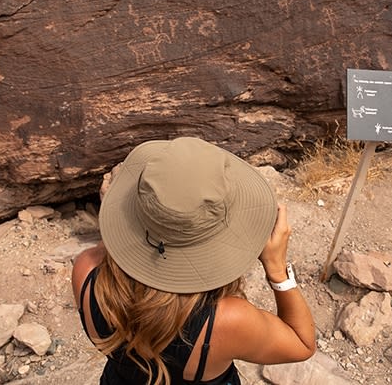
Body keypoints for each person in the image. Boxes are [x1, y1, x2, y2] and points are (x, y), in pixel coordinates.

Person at [72, 136, 316, 385]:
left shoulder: (86, 270)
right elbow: (302, 343)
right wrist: (276, 270)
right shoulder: (227, 320)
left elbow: (120, 252)